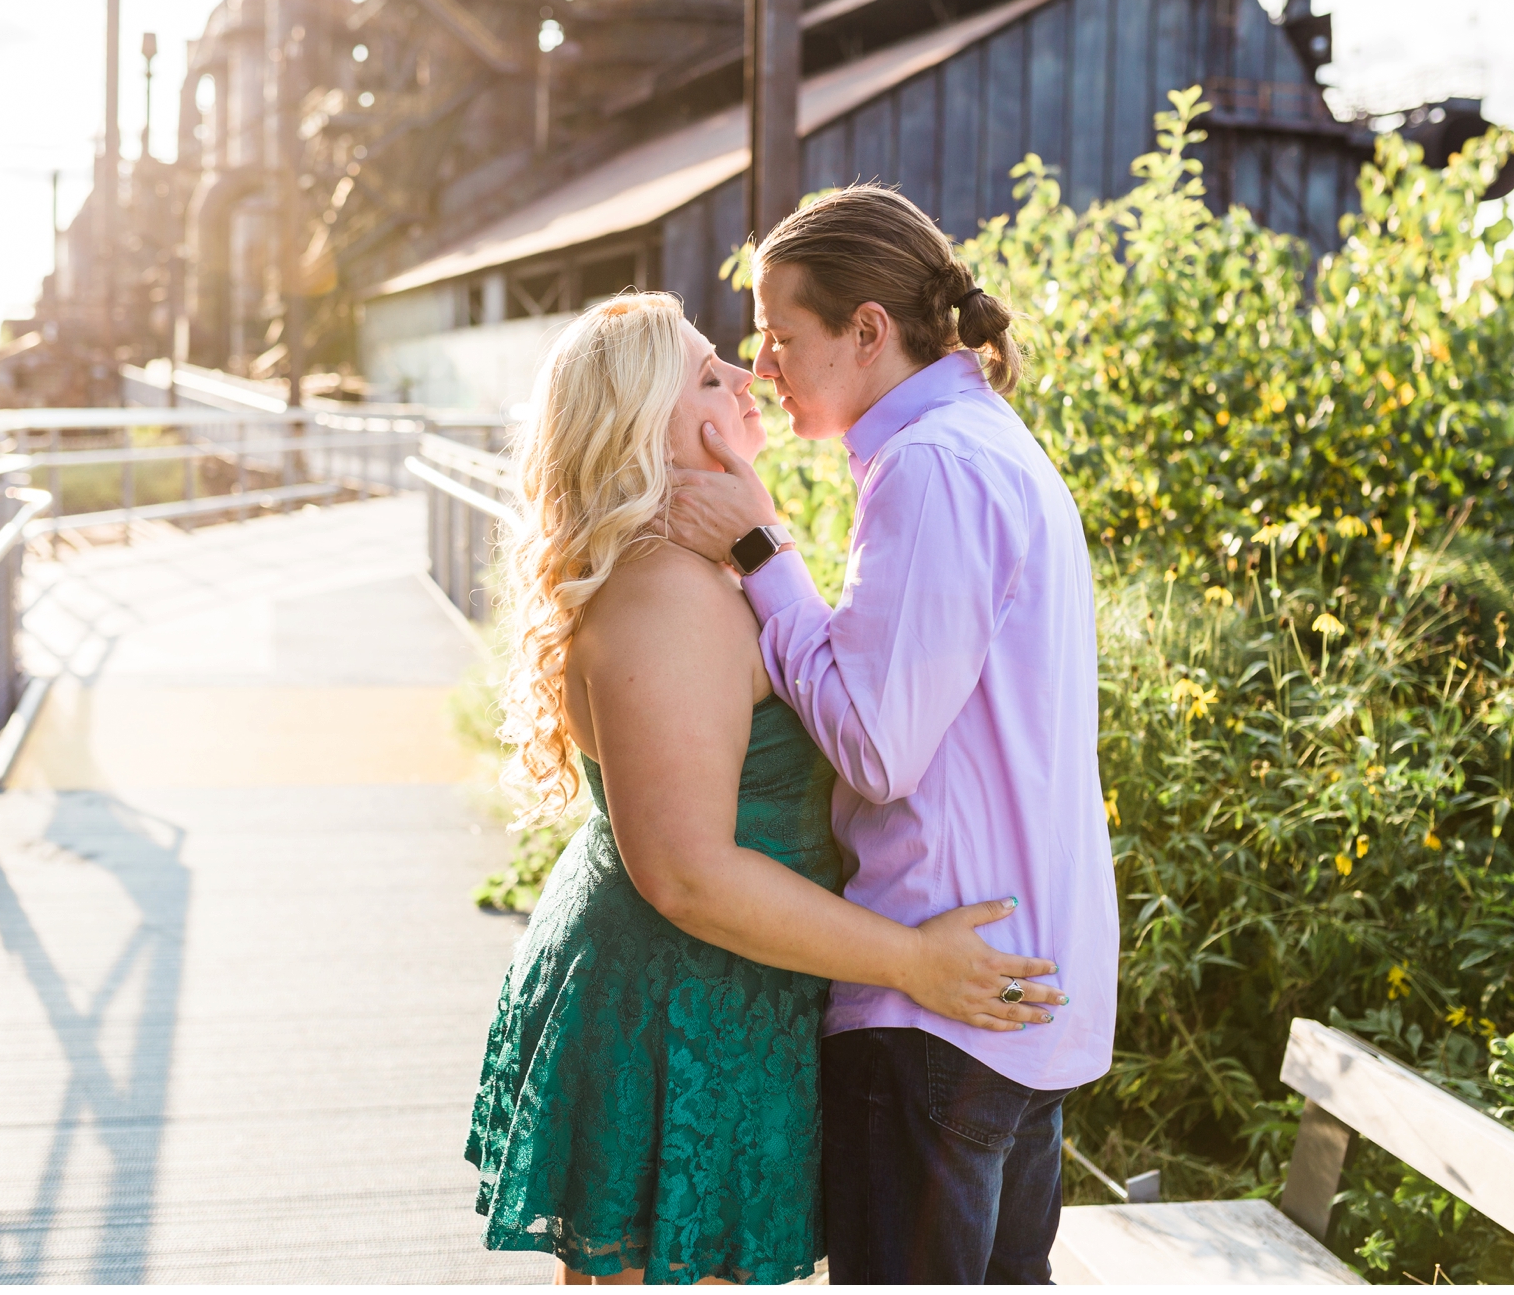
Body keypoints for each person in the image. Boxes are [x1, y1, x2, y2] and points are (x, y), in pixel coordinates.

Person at [465, 291, 1068, 1286]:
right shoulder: (664, 594)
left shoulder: (700, 565)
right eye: (707, 374)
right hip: (678, 998)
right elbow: (688, 873)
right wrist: (913, 962)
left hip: (727, 987)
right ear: (634, 422)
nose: (747, 377)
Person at [665, 186, 1119, 1285]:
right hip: (1011, 988)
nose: (762, 365)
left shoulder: (929, 468)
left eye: (781, 336)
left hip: (936, 1002)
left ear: (866, 330)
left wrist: (764, 555)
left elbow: (875, 745)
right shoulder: (983, 444)